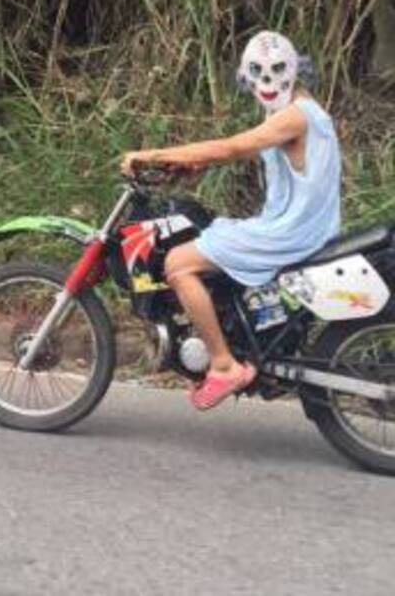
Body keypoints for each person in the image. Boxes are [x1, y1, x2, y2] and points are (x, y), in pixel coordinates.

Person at [121, 30, 341, 410]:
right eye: (258, 71)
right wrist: (192, 164)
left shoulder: (295, 116)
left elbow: (232, 147)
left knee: (178, 264)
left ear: (295, 69)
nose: (267, 80)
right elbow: (247, 150)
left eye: (277, 69)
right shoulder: (298, 109)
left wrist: (152, 155)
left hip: (293, 231)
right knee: (210, 234)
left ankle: (223, 365)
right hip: (301, 225)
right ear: (245, 77)